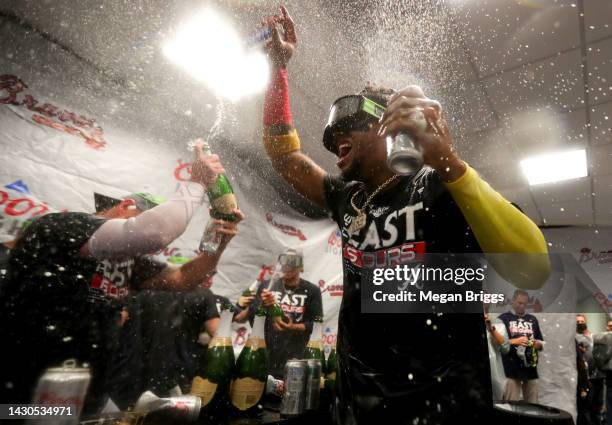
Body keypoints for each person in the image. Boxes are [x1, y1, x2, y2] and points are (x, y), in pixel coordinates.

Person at [258, 6, 550, 424]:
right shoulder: (350, 199)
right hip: (356, 408)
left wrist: (449, 161)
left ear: (388, 128)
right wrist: (277, 70)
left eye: (351, 123)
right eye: (333, 131)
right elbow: (283, 155)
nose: (336, 136)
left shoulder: (439, 187)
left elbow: (533, 270)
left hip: (442, 409)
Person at [0, 143, 244, 414]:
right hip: (22, 387)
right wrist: (197, 182)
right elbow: (155, 231)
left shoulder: (127, 260)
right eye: (144, 215)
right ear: (127, 206)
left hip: (86, 389)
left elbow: (181, 280)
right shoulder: (62, 226)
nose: (158, 247)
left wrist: (219, 244)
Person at [235, 248, 323, 379]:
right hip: (265, 352)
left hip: (295, 357)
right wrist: (263, 305)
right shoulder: (267, 286)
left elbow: (316, 325)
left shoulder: (312, 290)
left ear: (302, 267)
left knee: (291, 393)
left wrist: (292, 327)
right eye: (284, 261)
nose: (288, 266)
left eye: (294, 262)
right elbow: (254, 317)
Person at [498, 290, 544, 403]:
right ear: (513, 301)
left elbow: (540, 344)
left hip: (531, 368)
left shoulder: (533, 319)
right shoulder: (503, 318)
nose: (522, 306)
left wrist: (533, 343)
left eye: (524, 304)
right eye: (519, 303)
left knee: (533, 405)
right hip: (510, 368)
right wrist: (515, 341)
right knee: (511, 405)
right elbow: (498, 343)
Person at [577, 314, 605, 425]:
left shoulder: (594, 336)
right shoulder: (575, 338)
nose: (580, 323)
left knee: (597, 406)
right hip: (585, 378)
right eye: (578, 322)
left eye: (582, 321)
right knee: (585, 408)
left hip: (599, 375)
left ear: (586, 321)